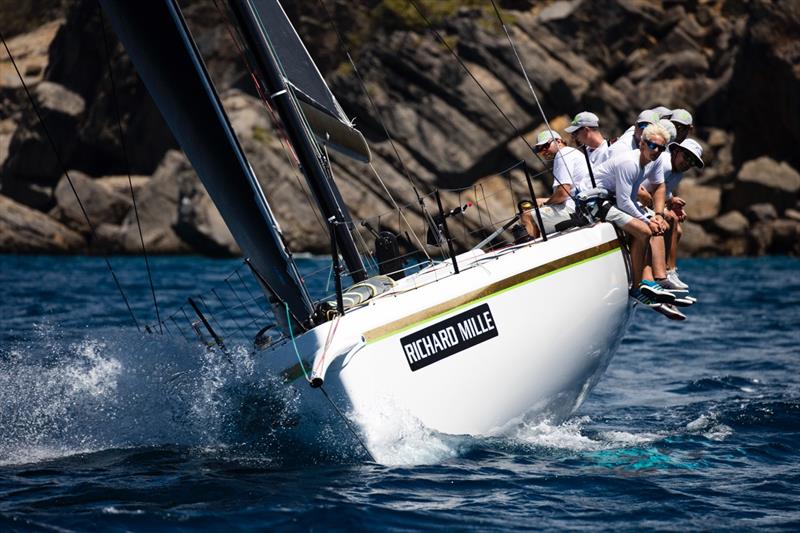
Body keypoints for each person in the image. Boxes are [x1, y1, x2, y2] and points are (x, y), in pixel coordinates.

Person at [591, 123, 684, 319]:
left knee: (655, 226)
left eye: (661, 148)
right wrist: (647, 220)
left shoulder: (649, 163)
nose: (656, 150)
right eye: (652, 145)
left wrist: (654, 216)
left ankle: (652, 282)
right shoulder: (629, 163)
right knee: (644, 231)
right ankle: (638, 286)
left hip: (612, 200)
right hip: (595, 201)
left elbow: (633, 197)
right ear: (642, 144)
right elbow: (625, 203)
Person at [525, 129, 589, 238]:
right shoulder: (571, 152)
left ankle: (532, 249)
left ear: (558, 141)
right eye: (539, 149)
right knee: (536, 205)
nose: (543, 151)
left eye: (545, 146)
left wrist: (546, 203)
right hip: (581, 204)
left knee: (527, 216)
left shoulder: (562, 154)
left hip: (577, 209)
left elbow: (563, 194)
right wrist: (544, 201)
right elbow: (567, 194)